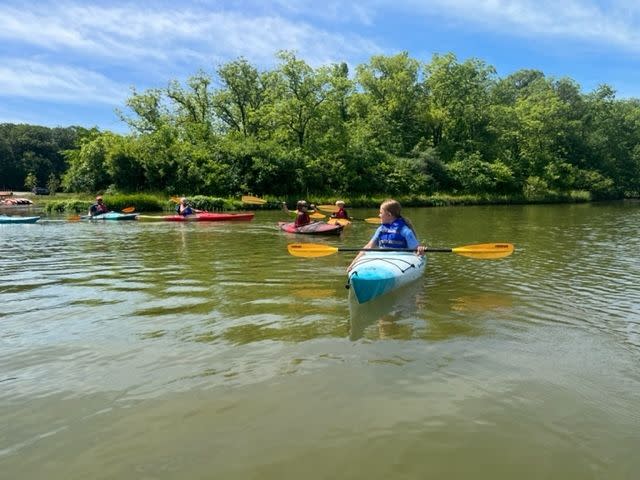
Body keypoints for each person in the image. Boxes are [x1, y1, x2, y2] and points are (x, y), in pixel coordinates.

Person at [347, 199, 426, 271]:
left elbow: (415, 250)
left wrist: (420, 251)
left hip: (401, 259)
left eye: (381, 213)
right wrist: (353, 263)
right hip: (383, 257)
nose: (379, 215)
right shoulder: (381, 229)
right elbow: (368, 247)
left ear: (389, 214)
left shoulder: (404, 230)